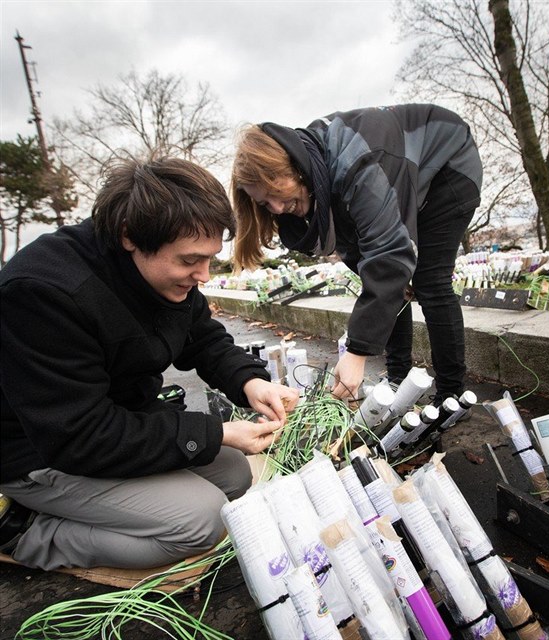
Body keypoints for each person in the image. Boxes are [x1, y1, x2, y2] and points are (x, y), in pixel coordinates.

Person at [0, 157, 299, 571]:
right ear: (130, 236)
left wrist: (252, 383)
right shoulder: (44, 294)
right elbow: (80, 436)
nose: (204, 275)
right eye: (190, 260)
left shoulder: (161, 272)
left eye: (211, 258)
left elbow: (202, 336)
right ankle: (30, 534)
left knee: (234, 473)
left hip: (116, 421)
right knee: (203, 520)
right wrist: (217, 431)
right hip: (39, 452)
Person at [231, 104, 483, 403]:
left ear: (296, 170)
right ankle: (397, 378)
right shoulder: (322, 178)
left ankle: (451, 394)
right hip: (400, 173)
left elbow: (389, 258)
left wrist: (356, 351)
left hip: (447, 164)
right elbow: (374, 273)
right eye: (263, 203)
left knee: (429, 279)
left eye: (275, 193)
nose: (274, 208)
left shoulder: (358, 163)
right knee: (390, 283)